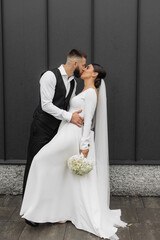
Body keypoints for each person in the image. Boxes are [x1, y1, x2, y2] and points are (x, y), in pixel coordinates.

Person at [20, 64, 127, 240]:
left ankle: (34, 210)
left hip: (74, 135)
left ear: (94, 74)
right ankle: (55, 210)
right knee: (62, 172)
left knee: (40, 160)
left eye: (88, 67)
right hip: (65, 131)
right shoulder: (80, 88)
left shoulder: (92, 92)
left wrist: (84, 145)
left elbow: (89, 121)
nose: (84, 69)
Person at [22, 49, 87, 200]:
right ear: (75, 63)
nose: (84, 69)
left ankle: (45, 206)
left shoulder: (73, 83)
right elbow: (46, 105)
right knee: (34, 165)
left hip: (59, 131)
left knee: (50, 168)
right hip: (42, 128)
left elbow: (71, 103)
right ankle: (28, 209)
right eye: (83, 65)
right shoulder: (49, 76)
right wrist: (69, 116)